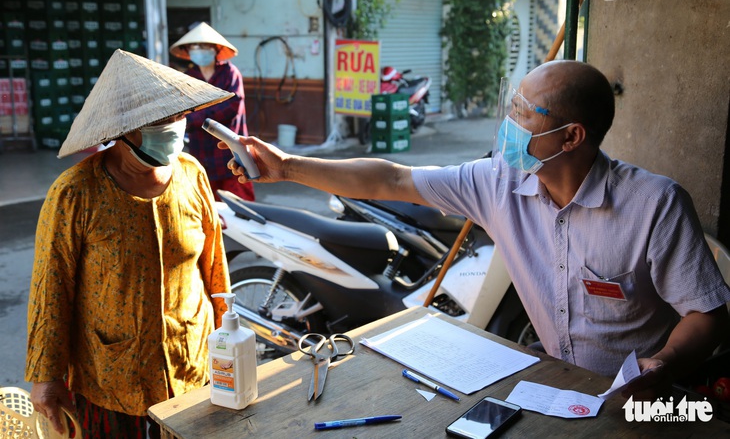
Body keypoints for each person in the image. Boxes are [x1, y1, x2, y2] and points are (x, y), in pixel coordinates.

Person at [225, 60, 730, 400]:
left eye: (523, 114)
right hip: (557, 387)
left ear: (572, 136)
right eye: (511, 107)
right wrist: (288, 167)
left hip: (649, 401)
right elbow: (392, 177)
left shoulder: (655, 205)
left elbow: (707, 315)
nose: (508, 124)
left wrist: (660, 365)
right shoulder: (497, 182)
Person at [25, 49, 233, 438]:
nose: (172, 126)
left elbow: (215, 268)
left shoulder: (192, 175)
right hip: (110, 379)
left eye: (177, 115)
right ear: (122, 130)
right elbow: (50, 289)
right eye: (157, 120)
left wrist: (228, 340)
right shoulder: (75, 192)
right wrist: (46, 376)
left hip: (191, 365)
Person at [169, 22, 255, 201]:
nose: (199, 50)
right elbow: (183, 111)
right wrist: (200, 116)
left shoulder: (230, 73)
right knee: (207, 209)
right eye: (194, 47)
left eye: (203, 46)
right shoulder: (188, 77)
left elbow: (231, 107)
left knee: (240, 208)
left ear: (214, 49)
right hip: (202, 153)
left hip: (232, 153)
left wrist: (197, 116)